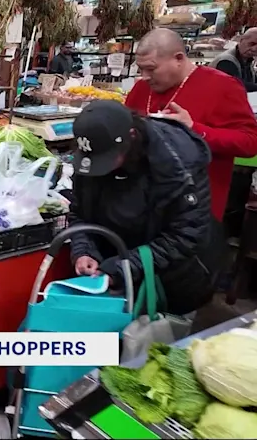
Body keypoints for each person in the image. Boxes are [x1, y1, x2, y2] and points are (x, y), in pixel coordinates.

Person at [68, 100, 225, 316]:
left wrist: (123, 267)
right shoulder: (92, 157)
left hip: (172, 277)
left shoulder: (178, 166)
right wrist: (84, 250)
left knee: (157, 341)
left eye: (106, 159)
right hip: (114, 270)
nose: (100, 168)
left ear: (132, 137)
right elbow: (79, 213)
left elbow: (184, 235)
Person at [125, 27, 257, 221]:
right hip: (142, 203)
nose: (144, 76)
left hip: (194, 210)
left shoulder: (223, 86)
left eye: (151, 69)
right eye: (141, 69)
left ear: (178, 58)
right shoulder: (142, 87)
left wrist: (195, 129)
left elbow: (250, 143)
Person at [210, 27, 257, 92]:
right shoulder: (226, 61)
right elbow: (235, 85)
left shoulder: (248, 60)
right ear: (241, 40)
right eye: (252, 44)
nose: (254, 49)